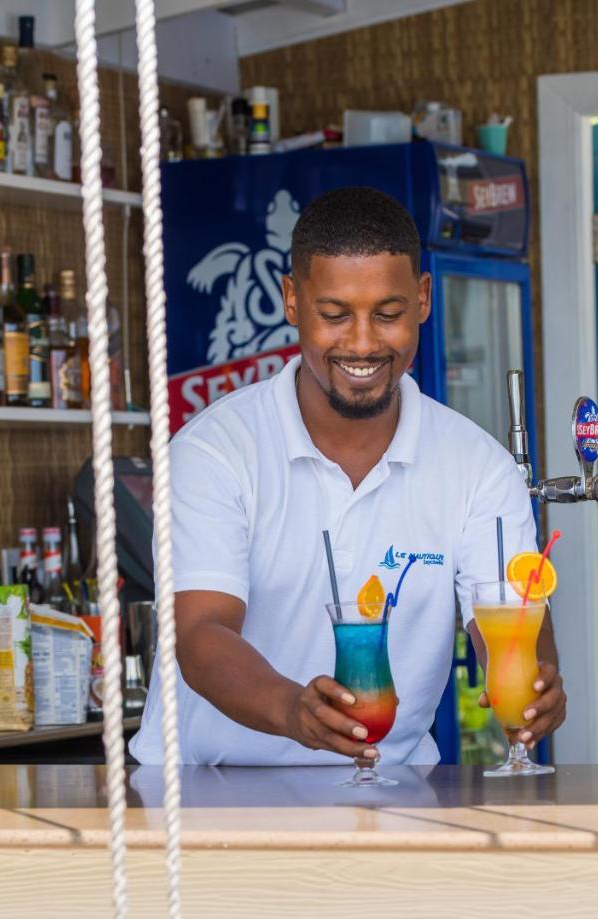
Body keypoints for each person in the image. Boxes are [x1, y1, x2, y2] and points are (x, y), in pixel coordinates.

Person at [130, 186, 566, 767]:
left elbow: (511, 613)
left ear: (423, 300)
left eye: (387, 314)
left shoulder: (477, 466)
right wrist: (291, 710)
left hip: (392, 790)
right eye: (334, 315)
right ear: (291, 300)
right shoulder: (215, 451)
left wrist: (533, 685)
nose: (362, 343)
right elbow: (202, 633)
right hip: (209, 792)